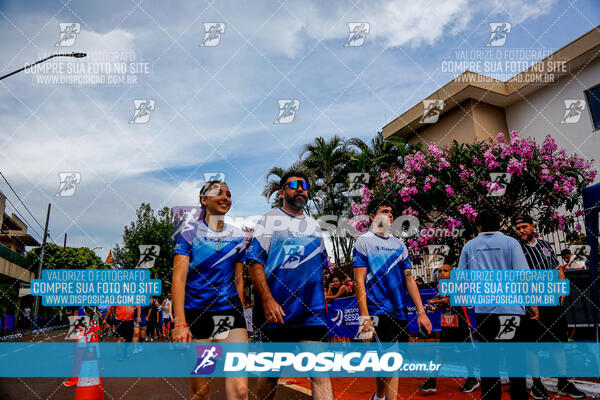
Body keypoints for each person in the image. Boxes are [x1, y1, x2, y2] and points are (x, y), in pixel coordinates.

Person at [245, 171, 333, 400]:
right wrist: (267, 301)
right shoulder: (270, 219)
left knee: (320, 373)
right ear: (283, 192)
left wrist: (321, 301)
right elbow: (254, 261)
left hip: (311, 314)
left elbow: (319, 269)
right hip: (278, 312)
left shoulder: (314, 226)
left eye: (304, 186)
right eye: (294, 185)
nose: (301, 189)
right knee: (270, 375)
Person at [172, 180, 248, 400]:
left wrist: (240, 310)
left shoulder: (237, 236)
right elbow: (179, 277)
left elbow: (239, 278)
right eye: (219, 193)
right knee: (201, 391)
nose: (225, 197)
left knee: (240, 389)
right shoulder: (188, 232)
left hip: (230, 313)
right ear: (204, 200)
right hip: (198, 314)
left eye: (229, 193)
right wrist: (180, 323)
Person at [353, 198, 432, 400]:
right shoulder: (363, 242)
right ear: (373, 217)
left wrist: (421, 312)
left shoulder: (400, 245)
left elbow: (410, 280)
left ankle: (379, 397)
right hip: (378, 311)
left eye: (392, 212)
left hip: (400, 312)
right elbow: (358, 282)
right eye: (385, 211)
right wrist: (365, 318)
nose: (390, 214)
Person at [459, 209, 535, 400]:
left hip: (485, 311)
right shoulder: (511, 243)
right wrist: (531, 302)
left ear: (479, 226)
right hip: (510, 310)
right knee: (515, 358)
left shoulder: (470, 246)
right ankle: (518, 396)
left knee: (488, 361)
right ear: (500, 224)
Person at [513, 215, 585, 399]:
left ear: (532, 226)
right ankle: (537, 384)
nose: (521, 230)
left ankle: (562, 381)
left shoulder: (545, 245)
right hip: (531, 303)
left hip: (552, 301)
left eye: (524, 226)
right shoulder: (515, 250)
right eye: (518, 228)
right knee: (532, 344)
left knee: (558, 342)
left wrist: (562, 284)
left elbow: (557, 268)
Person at [419, 263, 479, 394]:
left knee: (466, 351)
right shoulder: (440, 286)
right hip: (447, 323)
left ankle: (472, 378)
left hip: (460, 322)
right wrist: (435, 307)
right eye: (440, 271)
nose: (441, 273)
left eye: (445, 271)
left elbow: (449, 299)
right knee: (441, 352)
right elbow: (444, 302)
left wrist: (436, 302)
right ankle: (432, 381)